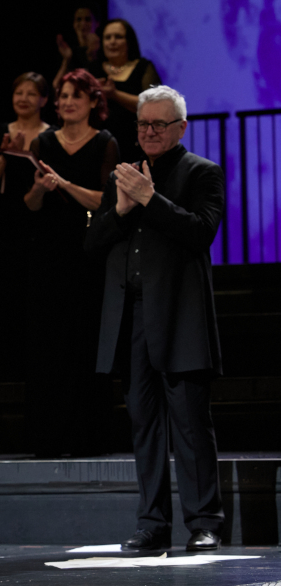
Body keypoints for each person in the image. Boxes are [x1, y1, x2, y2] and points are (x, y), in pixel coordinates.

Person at [85, 86, 225, 552]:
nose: (148, 131)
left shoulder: (202, 173)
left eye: (159, 125)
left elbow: (200, 231)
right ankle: (152, 523)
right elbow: (94, 243)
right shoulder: (120, 178)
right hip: (132, 316)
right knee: (143, 423)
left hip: (180, 315)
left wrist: (150, 198)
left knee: (189, 422)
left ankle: (204, 521)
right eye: (143, 124)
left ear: (181, 128)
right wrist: (123, 208)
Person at [22, 70, 119, 456]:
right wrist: (39, 190)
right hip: (50, 254)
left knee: (87, 342)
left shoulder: (105, 143)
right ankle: (50, 436)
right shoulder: (44, 141)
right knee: (52, 345)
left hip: (89, 252)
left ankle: (90, 436)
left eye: (75, 96)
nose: (66, 102)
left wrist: (64, 185)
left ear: (93, 101)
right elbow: (30, 204)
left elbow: (105, 201)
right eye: (62, 96)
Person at [0, 73, 54, 379]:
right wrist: (8, 154)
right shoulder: (1, 132)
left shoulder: (52, 135)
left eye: (30, 93)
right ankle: (4, 364)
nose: (23, 98)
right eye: (18, 92)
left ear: (44, 100)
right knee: (5, 292)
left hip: (41, 220)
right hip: (5, 222)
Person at [96, 19, 162, 164]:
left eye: (118, 37)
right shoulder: (93, 68)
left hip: (136, 144)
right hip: (99, 145)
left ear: (129, 41)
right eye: (108, 37)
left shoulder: (143, 67)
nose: (112, 42)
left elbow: (153, 105)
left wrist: (115, 94)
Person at [52, 7, 101, 93]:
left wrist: (92, 54)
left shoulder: (104, 49)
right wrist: (66, 60)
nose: (83, 23)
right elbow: (57, 86)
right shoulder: (69, 52)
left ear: (97, 23)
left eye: (87, 19)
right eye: (78, 19)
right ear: (74, 24)